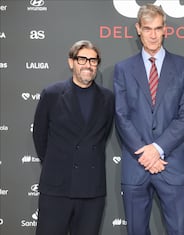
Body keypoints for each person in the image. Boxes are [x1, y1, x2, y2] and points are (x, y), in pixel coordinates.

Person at [113, 4, 184, 235]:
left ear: (165, 30)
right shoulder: (123, 69)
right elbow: (121, 115)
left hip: (171, 164)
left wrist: (157, 149)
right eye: (147, 28)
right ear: (138, 29)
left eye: (158, 28)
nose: (152, 35)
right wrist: (145, 152)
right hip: (136, 165)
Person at [32, 40, 114, 235]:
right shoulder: (52, 94)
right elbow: (39, 136)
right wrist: (57, 163)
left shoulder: (108, 98)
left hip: (92, 190)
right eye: (82, 59)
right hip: (56, 188)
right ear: (71, 62)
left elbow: (102, 135)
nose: (88, 64)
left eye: (93, 61)